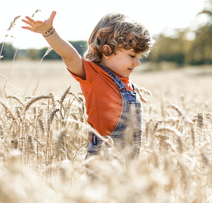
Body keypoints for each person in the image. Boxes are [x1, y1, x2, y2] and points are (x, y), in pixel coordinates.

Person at [21, 11, 154, 158]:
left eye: (139, 56)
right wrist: (48, 32)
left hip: (129, 159)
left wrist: (134, 93)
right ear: (107, 50)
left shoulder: (126, 83)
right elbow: (69, 55)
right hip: (103, 156)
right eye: (132, 56)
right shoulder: (93, 75)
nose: (138, 62)